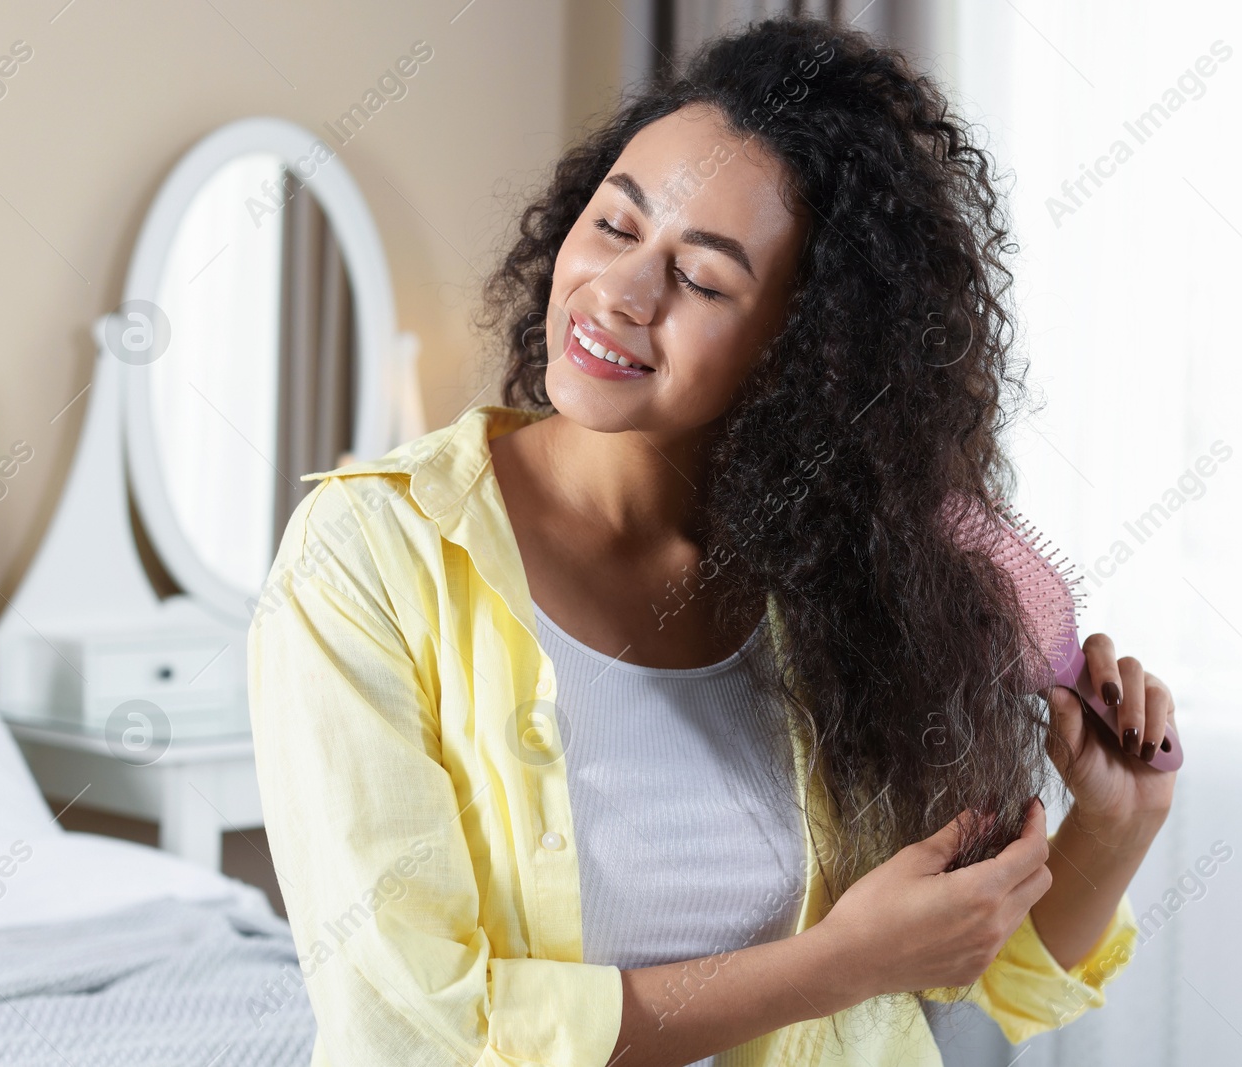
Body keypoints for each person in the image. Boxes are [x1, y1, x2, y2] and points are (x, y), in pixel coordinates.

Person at [249, 15, 1176, 1067]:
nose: (621, 292)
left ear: (801, 346)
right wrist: (834, 964)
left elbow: (975, 971)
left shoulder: (839, 584)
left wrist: (1113, 825)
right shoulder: (372, 554)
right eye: (615, 226)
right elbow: (412, 1026)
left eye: (702, 278)